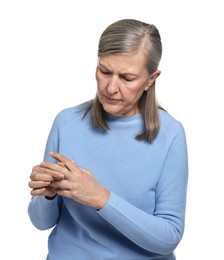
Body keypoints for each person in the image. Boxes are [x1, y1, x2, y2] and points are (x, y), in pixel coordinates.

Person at [28, 18, 188, 260]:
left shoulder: (170, 135)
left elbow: (168, 237)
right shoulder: (66, 123)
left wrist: (101, 197)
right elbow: (41, 222)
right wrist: (48, 195)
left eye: (127, 78)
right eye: (104, 71)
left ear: (151, 79)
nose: (111, 88)